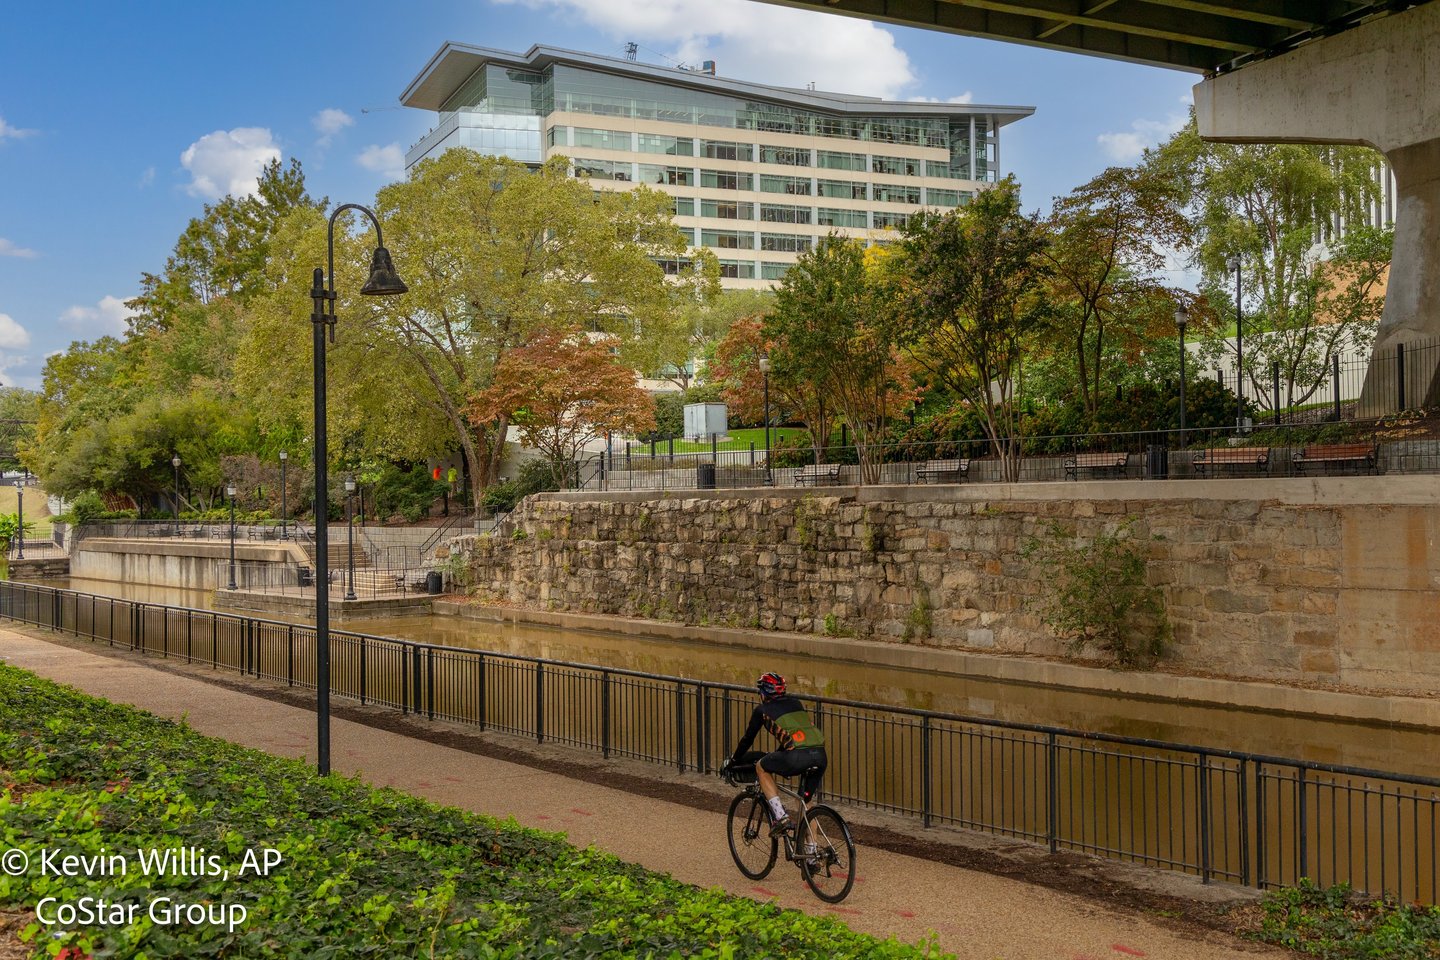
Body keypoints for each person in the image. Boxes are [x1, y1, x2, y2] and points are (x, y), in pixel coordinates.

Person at [726, 672, 827, 837]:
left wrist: (733, 760)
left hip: (796, 757)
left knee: (761, 767)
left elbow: (747, 740)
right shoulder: (796, 703)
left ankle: (781, 817)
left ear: (763, 692)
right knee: (805, 802)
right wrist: (780, 754)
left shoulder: (762, 710)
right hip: (820, 756)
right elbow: (794, 734)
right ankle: (812, 849)